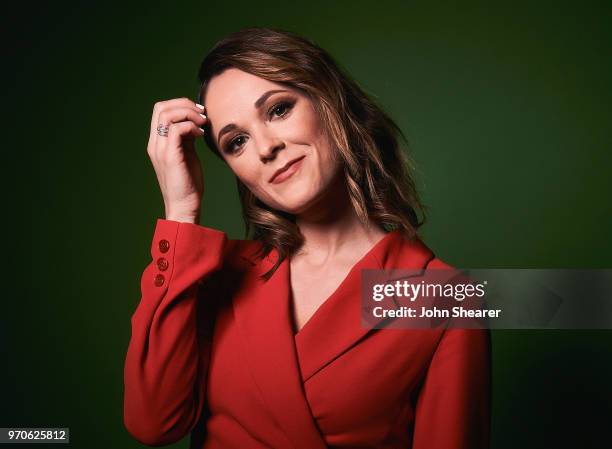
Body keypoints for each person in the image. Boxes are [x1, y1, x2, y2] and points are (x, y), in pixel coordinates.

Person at [123, 27, 491, 449]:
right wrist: (181, 212)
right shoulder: (213, 275)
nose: (265, 147)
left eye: (278, 109)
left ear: (328, 99)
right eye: (236, 141)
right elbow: (152, 422)